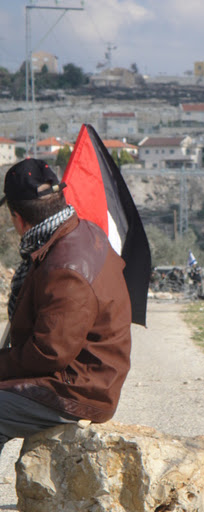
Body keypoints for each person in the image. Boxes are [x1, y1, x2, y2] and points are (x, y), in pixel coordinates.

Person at [0, 158, 132, 454]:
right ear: (61, 197)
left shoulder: (64, 267)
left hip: (78, 390)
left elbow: (48, 353)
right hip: (79, 377)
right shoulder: (78, 232)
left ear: (17, 218)